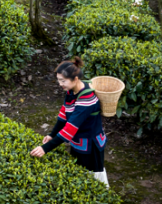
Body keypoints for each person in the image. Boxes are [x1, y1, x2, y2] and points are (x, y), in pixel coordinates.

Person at [30, 57, 109, 188]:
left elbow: (69, 129)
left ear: (76, 79)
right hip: (79, 142)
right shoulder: (71, 91)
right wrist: (52, 134)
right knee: (79, 173)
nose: (60, 84)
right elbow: (63, 115)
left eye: (63, 81)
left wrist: (45, 149)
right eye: (58, 80)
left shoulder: (87, 100)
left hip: (90, 145)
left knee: (94, 178)